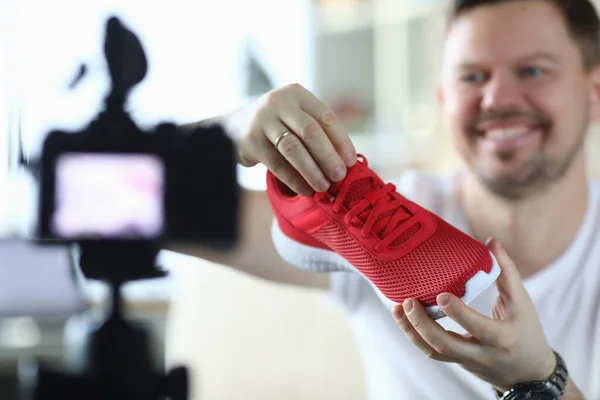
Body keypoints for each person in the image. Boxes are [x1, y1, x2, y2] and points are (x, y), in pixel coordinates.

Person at [176, 0, 600, 398]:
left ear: (595, 91)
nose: (498, 98)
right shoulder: (369, 218)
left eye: (533, 71)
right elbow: (127, 212)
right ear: (443, 100)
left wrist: (540, 382)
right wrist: (224, 135)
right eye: (472, 76)